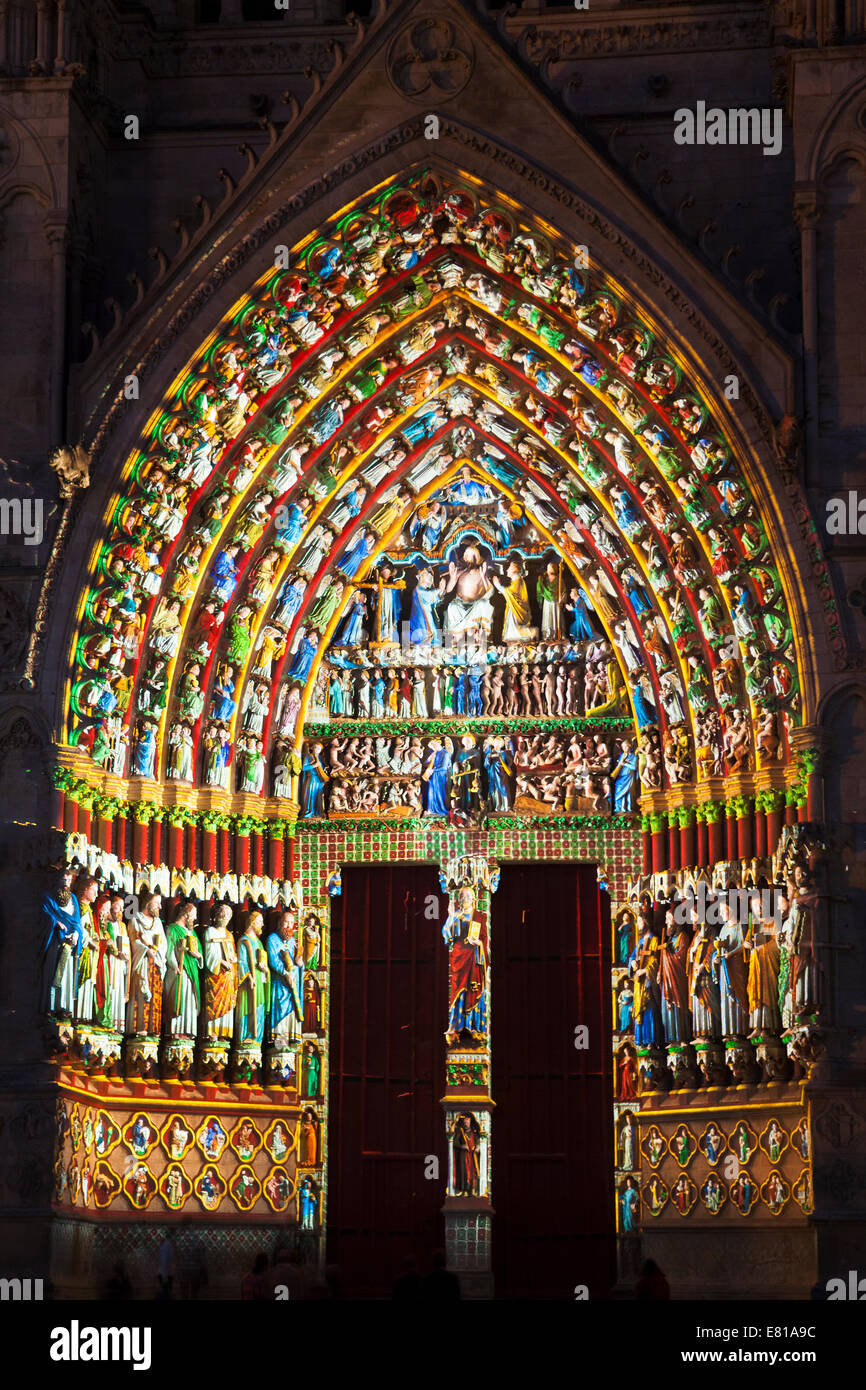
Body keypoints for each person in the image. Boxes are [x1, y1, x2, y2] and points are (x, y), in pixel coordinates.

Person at [157, 1233, 175, 1298]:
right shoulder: (170, 1245)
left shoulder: (165, 1246)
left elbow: (164, 1261)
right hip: (168, 1272)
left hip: (165, 1272)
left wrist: (164, 1276)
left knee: (165, 1291)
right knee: (168, 1290)